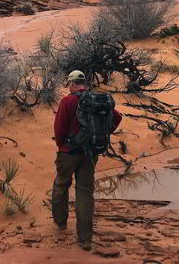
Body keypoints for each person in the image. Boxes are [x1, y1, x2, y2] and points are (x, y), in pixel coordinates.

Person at [51, 70, 122, 251]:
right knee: (84, 192)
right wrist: (103, 134)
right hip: (90, 153)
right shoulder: (96, 100)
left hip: (68, 152)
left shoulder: (68, 101)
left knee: (61, 185)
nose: (68, 87)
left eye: (69, 83)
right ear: (84, 83)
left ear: (72, 83)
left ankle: (61, 223)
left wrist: (61, 145)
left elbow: (60, 127)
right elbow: (117, 116)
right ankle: (84, 239)